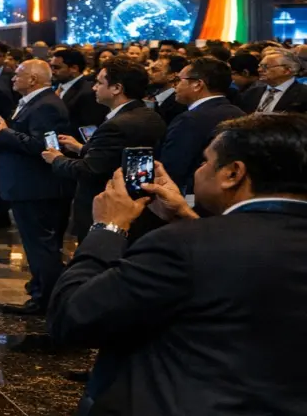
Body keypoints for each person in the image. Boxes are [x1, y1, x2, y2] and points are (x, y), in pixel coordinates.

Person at [48, 114, 307, 416]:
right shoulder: (199, 239)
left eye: (205, 162)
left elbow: (74, 318)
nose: (200, 171)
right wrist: (188, 218)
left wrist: (108, 227)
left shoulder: (180, 245)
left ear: (233, 173)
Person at [42, 58, 166, 241]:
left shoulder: (116, 125)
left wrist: (57, 159)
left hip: (107, 211)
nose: (94, 88)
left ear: (117, 88)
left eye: (100, 83)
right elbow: (113, 156)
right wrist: (82, 148)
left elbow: (90, 170)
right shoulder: (149, 115)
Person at [0, 60, 72, 313]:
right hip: (26, 185)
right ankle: (40, 287)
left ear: (33, 79)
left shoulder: (47, 106)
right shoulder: (35, 102)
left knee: (41, 245)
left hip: (36, 187)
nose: (12, 79)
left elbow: (43, 146)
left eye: (17, 75)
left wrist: (4, 134)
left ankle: (45, 299)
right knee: (36, 244)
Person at [158, 57, 246, 202]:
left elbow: (172, 170)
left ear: (197, 85)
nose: (175, 87)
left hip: (192, 199)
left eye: (179, 81)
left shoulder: (190, 120)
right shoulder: (238, 112)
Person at [51, 49, 108, 128]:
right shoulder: (55, 87)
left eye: (56, 68)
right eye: (51, 67)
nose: (52, 71)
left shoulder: (89, 92)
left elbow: (89, 128)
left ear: (74, 68)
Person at [241, 51, 307, 113]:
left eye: (265, 66)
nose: (259, 70)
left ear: (287, 70)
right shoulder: (251, 93)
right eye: (260, 66)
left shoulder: (303, 94)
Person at [147, 54, 188, 125]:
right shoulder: (150, 94)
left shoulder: (178, 104)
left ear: (172, 76)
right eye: (150, 69)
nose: (149, 73)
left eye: (155, 70)